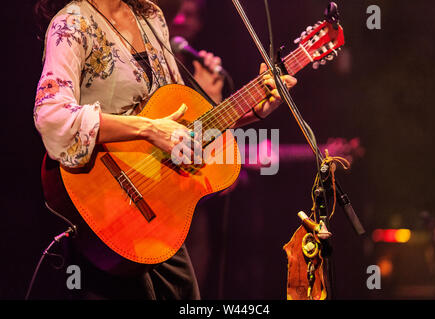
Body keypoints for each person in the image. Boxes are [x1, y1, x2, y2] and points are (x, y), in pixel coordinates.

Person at [33, 0, 297, 299]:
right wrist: (147, 128)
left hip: (159, 217)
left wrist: (252, 111)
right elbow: (52, 115)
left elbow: (182, 127)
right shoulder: (71, 23)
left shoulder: (151, 16)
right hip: (108, 213)